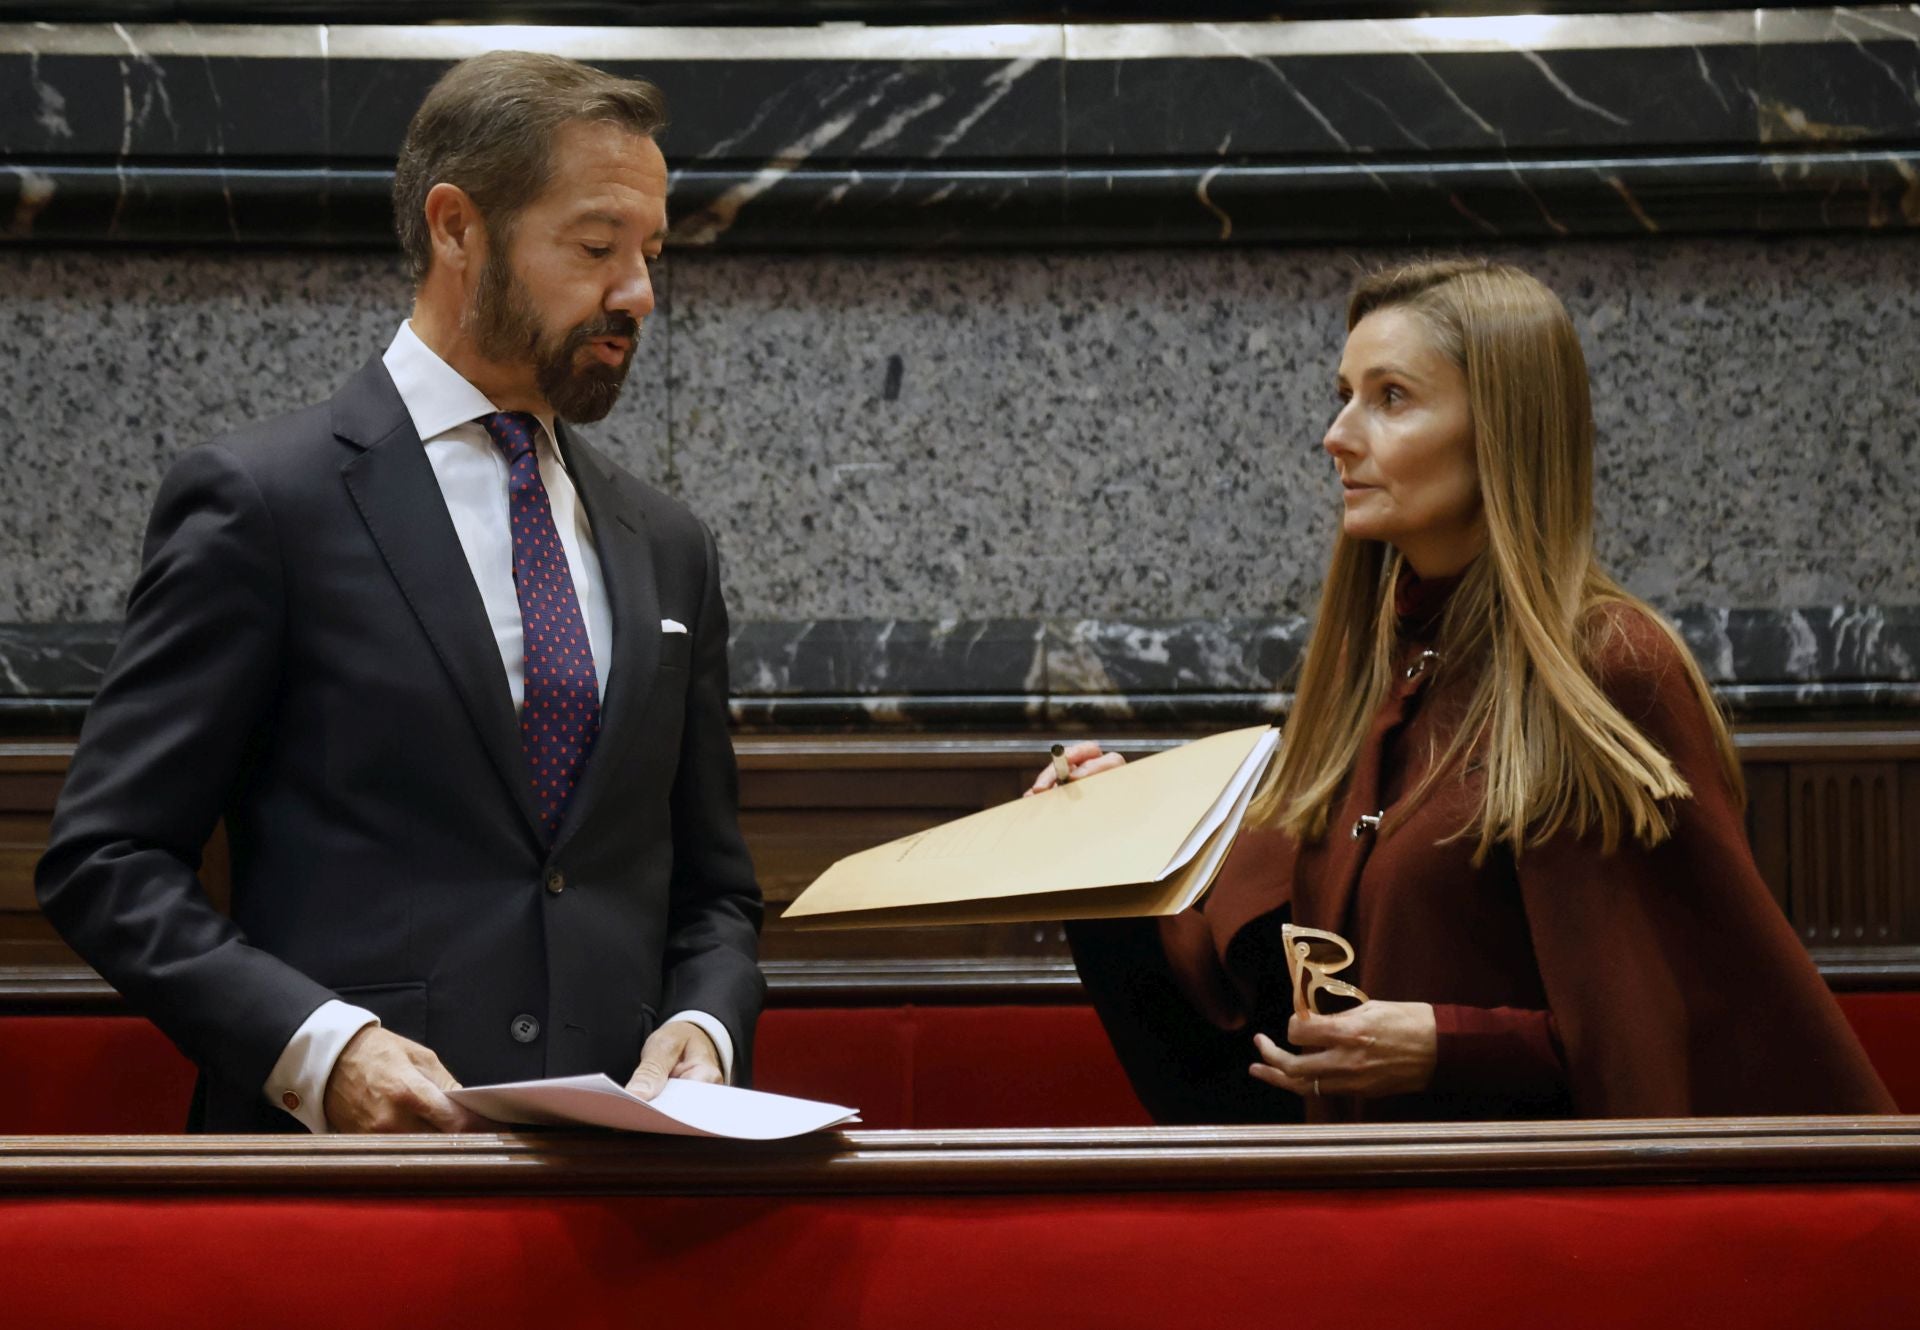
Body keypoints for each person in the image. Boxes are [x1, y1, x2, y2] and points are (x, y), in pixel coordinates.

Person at [36, 52, 765, 1133]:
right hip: (344, 1202)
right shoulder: (264, 502)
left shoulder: (669, 544)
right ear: (456, 227)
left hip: (623, 1201)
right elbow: (106, 859)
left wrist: (706, 1028)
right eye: (597, 245)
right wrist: (319, 1048)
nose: (640, 292)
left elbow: (714, 891)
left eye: (651, 252)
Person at [1034, 258, 1894, 1122]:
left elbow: (1677, 1038)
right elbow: (1246, 987)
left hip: (1533, 1226)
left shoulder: (1606, 665)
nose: (1337, 434)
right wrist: (1109, 837)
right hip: (1376, 1211)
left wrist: (1451, 1045)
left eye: (1392, 397)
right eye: (1343, 394)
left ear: (1503, 431)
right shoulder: (1379, 665)